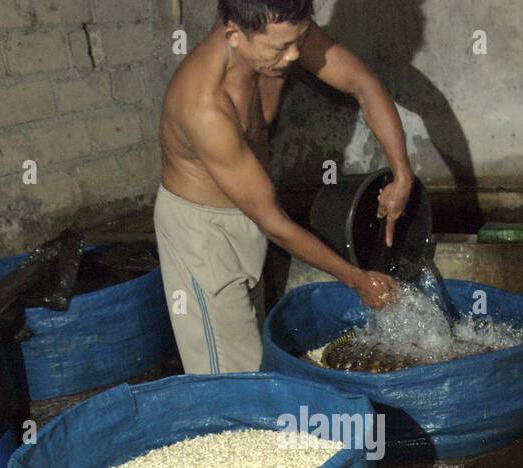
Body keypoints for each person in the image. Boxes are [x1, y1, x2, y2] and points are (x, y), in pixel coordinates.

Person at [156, 0, 415, 375]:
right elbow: (273, 221)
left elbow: (363, 84)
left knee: (255, 351)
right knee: (231, 375)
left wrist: (401, 173)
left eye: (300, 39)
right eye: (280, 48)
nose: (294, 55)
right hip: (204, 234)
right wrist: (356, 279)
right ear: (234, 35)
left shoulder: (278, 33)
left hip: (253, 213)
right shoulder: (202, 104)